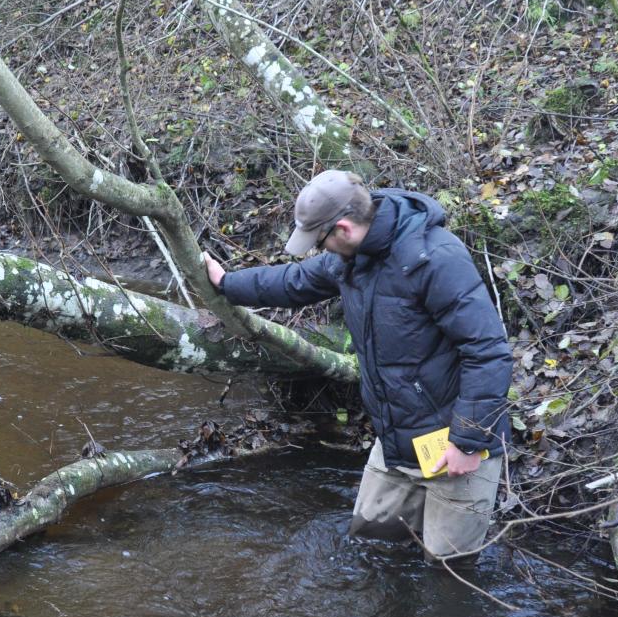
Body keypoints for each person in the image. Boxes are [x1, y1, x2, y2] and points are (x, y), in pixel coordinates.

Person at [203, 170, 513, 561]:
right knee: (372, 546)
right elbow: (293, 281)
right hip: (397, 438)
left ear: (344, 229)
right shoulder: (351, 260)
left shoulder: (434, 258)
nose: (321, 251)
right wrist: (228, 283)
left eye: (322, 241)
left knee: (447, 573)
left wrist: (467, 441)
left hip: (457, 443)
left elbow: (488, 351)